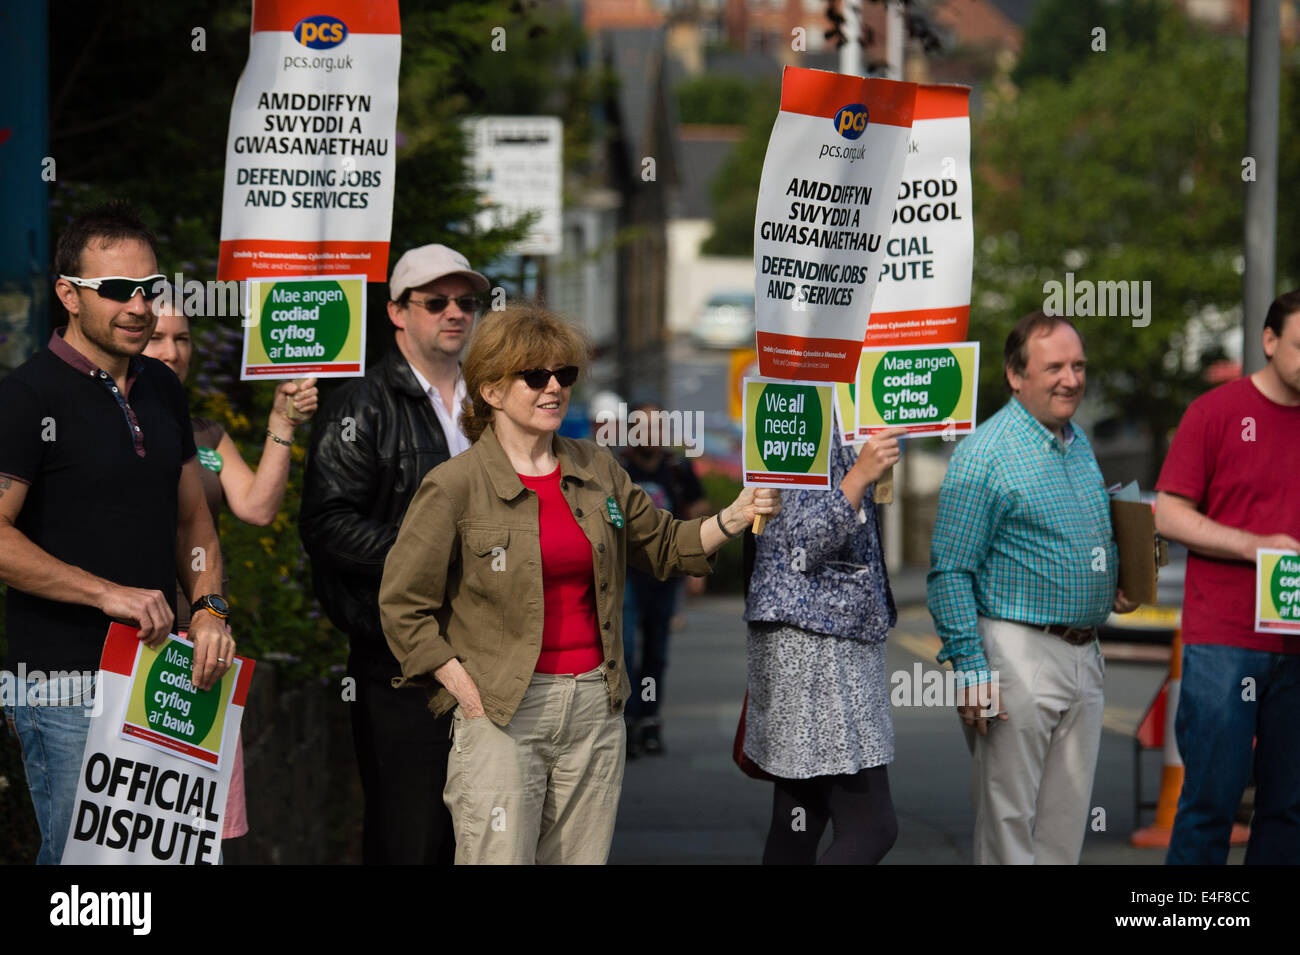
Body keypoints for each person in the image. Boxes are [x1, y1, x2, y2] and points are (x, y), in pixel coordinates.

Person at [378, 303, 779, 865]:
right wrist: (462, 689)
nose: (553, 388)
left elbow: (664, 546)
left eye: (563, 375)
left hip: (595, 701)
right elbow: (402, 605)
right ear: (491, 391)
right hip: (501, 707)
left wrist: (732, 517)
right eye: (534, 376)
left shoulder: (598, 469)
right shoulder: (455, 486)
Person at [0, 202, 234, 864]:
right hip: (64, 685)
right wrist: (108, 593)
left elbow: (194, 518)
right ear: (68, 295)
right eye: (117, 290)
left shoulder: (162, 386)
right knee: (89, 881)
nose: (139, 306)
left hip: (161, 678)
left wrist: (212, 606)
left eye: (150, 289)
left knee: (165, 868)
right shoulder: (27, 397)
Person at [299, 243, 487, 865]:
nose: (454, 313)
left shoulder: (491, 400)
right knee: (410, 837)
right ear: (397, 313)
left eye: (467, 301)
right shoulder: (361, 402)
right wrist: (436, 555)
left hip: (495, 651)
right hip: (400, 658)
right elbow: (327, 525)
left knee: (483, 838)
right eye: (436, 301)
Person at [927, 310, 1137, 865]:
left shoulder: (1078, 441)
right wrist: (971, 671)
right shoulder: (985, 453)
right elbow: (950, 570)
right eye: (1055, 368)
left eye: (1078, 365)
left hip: (1083, 653)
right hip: (1014, 654)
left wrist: (1117, 578)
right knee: (1010, 831)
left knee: (1061, 835)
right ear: (1016, 375)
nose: (1071, 379)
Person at [145, 302, 318, 845]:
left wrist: (281, 423)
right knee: (134, 824)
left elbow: (258, 508)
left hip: (201, 643)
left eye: (183, 339)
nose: (173, 352)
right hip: (132, 643)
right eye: (157, 338)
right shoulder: (108, 428)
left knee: (198, 827)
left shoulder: (206, 435)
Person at [1156, 290, 1300, 865]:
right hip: (1225, 642)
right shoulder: (1215, 413)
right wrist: (1252, 545)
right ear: (1269, 342)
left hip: (1297, 646)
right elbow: (1168, 513)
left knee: (1288, 808)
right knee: (1211, 801)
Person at [743, 425, 906, 864]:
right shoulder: (806, 404)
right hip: (817, 647)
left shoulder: (841, 406)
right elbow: (801, 542)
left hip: (822, 638)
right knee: (872, 827)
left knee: (799, 818)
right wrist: (860, 474)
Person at [618, 402, 709, 757]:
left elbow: (698, 511)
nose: (650, 434)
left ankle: (649, 720)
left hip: (665, 575)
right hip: (626, 573)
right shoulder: (618, 469)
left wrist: (695, 566)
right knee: (624, 648)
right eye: (642, 427)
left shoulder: (676, 468)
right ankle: (625, 720)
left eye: (656, 427)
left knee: (656, 652)